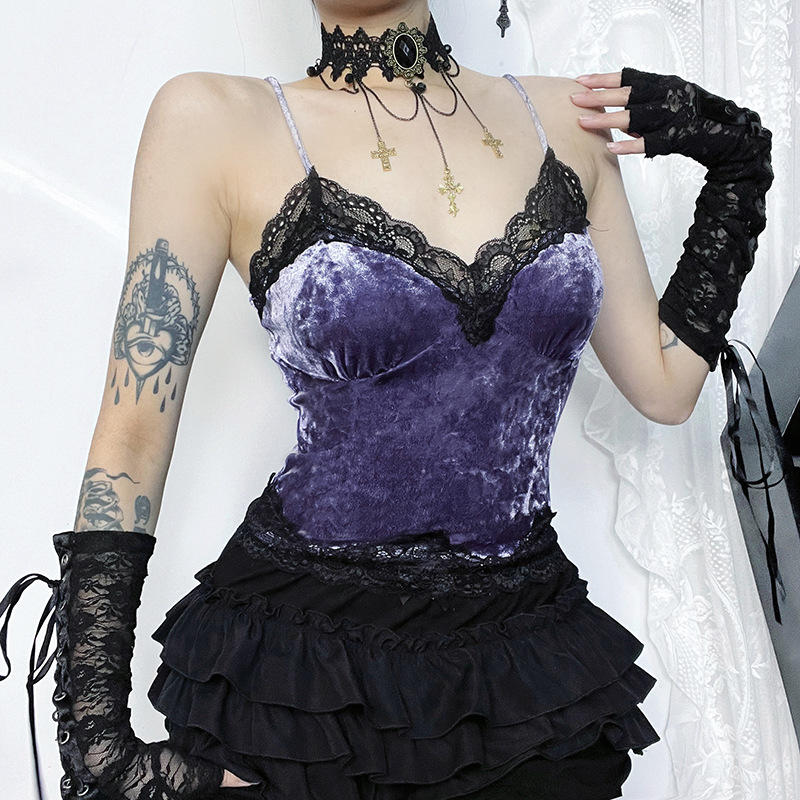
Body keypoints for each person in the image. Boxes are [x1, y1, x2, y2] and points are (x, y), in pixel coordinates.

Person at [0, 1, 772, 798]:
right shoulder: (213, 119)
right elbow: (133, 430)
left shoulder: (565, 120)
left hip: (523, 680)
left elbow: (666, 387)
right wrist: (97, 738)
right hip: (301, 689)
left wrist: (738, 161)